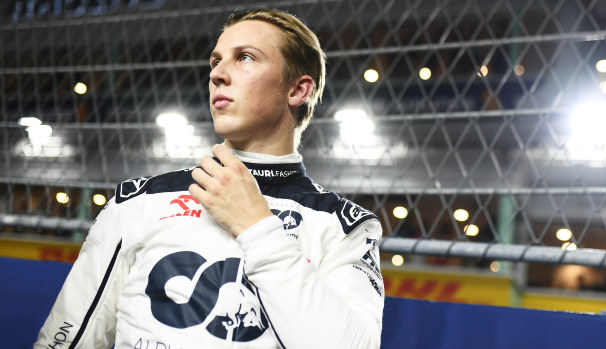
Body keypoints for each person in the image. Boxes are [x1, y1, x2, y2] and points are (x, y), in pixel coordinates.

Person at [35, 8, 384, 349]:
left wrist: (257, 228)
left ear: (297, 91)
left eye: (245, 57)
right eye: (215, 61)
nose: (217, 73)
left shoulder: (344, 227)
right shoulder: (141, 201)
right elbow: (68, 337)